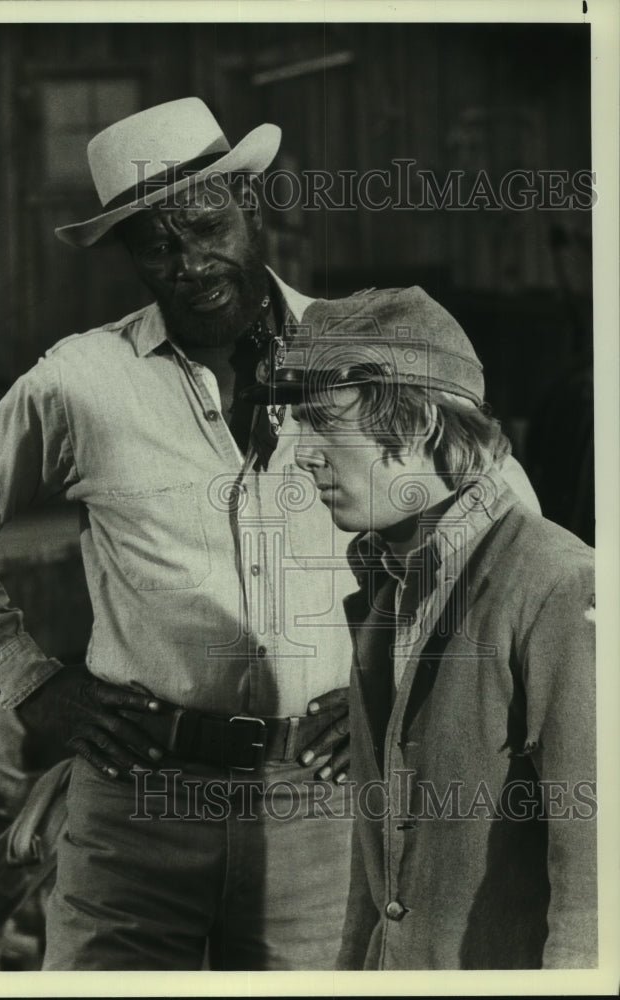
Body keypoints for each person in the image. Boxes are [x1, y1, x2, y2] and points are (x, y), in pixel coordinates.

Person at [0, 96, 362, 971]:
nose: (189, 263)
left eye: (207, 226)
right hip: (134, 808)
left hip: (317, 808)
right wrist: (29, 683)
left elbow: (489, 527)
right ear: (128, 255)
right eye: (156, 244)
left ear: (250, 206)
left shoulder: (362, 357)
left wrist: (392, 683)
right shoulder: (82, 382)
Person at [247, 285, 597, 969]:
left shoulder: (559, 584)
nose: (302, 455)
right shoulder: (388, 589)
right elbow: (376, 884)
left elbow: (595, 892)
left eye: (323, 421)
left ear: (419, 424)